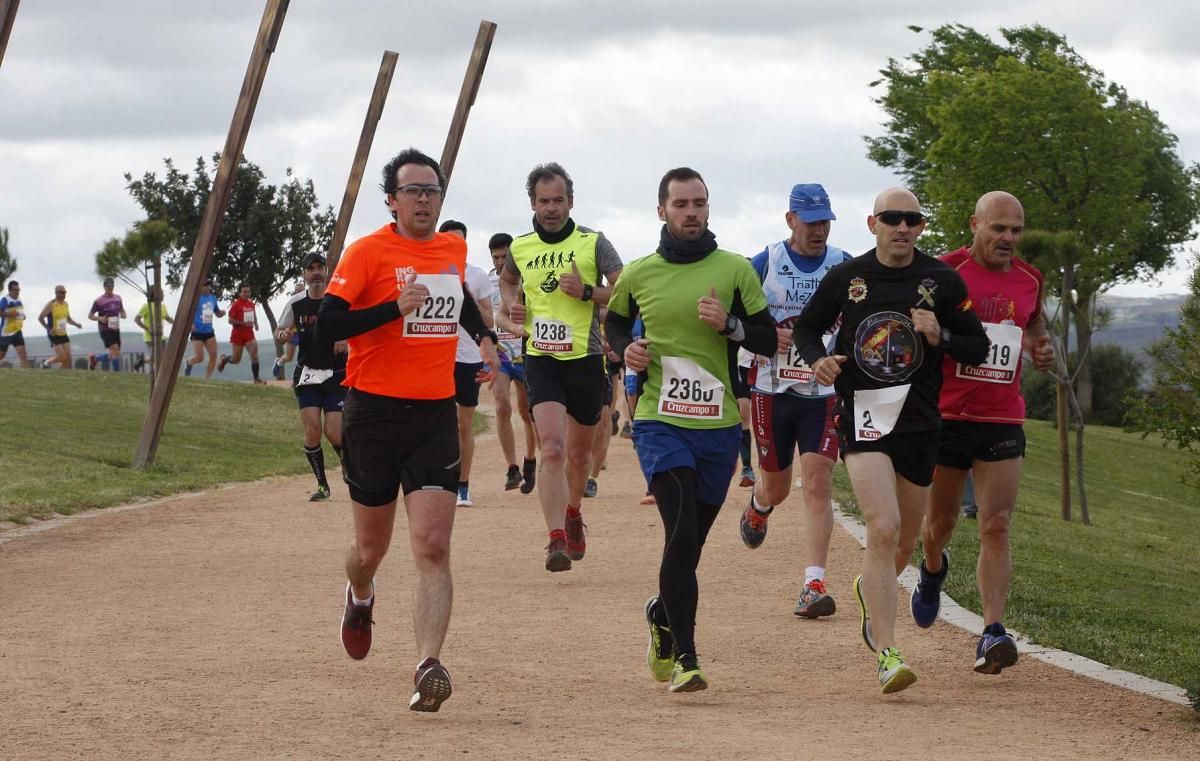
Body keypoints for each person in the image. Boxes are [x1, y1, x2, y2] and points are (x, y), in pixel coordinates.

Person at [317, 148, 498, 713]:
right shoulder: (367, 252)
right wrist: (392, 309)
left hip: (434, 414)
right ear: (392, 199)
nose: (424, 198)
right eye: (413, 190)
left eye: (432, 190)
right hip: (372, 414)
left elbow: (460, 301)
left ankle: (427, 666)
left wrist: (486, 336)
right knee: (370, 549)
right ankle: (361, 593)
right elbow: (326, 328)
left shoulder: (452, 248)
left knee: (433, 545)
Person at [790, 187, 988, 694]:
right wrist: (818, 360)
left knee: (903, 540)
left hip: (920, 424)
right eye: (892, 218)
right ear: (873, 221)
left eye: (913, 219)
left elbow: (978, 346)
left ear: (922, 226)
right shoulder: (848, 277)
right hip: (864, 415)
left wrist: (940, 334)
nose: (902, 227)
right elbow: (808, 329)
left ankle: (867, 591)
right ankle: (888, 652)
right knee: (883, 527)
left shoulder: (942, 280)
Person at [607, 167, 775, 693]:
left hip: (719, 427)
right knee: (678, 532)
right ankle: (687, 655)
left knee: (690, 547)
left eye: (699, 203)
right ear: (662, 210)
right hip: (660, 420)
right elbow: (614, 323)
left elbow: (768, 338)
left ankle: (661, 611)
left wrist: (730, 326)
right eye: (680, 204)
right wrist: (625, 349)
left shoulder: (734, 270)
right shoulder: (639, 273)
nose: (691, 212)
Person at [911, 190, 1055, 675]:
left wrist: (1041, 348)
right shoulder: (942, 272)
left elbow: (1033, 327)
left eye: (1016, 229)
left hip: (1001, 416)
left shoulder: (1030, 279)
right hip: (948, 417)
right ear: (975, 225)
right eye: (999, 228)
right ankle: (932, 569)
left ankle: (992, 632)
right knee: (940, 526)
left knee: (996, 523)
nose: (1008, 238)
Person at [498, 162, 623, 572]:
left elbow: (623, 293)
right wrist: (513, 305)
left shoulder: (593, 242)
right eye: (543, 201)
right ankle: (554, 539)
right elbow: (508, 281)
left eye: (558, 200)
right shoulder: (521, 247)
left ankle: (572, 512)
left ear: (571, 201)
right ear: (532, 203)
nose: (551, 208)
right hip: (542, 358)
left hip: (585, 359)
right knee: (551, 448)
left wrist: (588, 291)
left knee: (578, 454)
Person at [736, 183, 853, 620]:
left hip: (822, 393)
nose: (818, 229)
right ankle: (759, 506)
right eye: (811, 221)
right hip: (771, 389)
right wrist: (768, 333)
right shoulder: (765, 261)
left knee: (819, 479)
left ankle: (813, 583)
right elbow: (739, 315)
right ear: (791, 220)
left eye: (825, 220)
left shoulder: (843, 264)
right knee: (778, 486)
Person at [277, 253, 349, 501]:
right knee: (312, 430)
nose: (316, 272)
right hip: (307, 373)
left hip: (336, 373)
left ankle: (346, 460)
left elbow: (357, 325)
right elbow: (281, 328)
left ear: (327, 271)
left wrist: (345, 338)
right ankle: (322, 485)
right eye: (311, 269)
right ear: (304, 275)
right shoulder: (296, 302)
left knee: (334, 432)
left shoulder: (338, 298)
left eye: (320, 267)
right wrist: (284, 335)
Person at [440, 219, 496, 507]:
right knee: (438, 423)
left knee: (464, 425)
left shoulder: (476, 275)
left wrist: (471, 301)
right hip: (439, 356)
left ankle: (463, 484)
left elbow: (489, 321)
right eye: (449, 240)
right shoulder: (432, 272)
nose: (454, 246)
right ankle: (439, 481)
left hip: (469, 358)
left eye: (459, 241)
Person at [487, 233, 539, 494]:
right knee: (501, 406)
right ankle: (512, 467)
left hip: (527, 352)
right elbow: (485, 316)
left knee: (527, 410)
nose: (499, 261)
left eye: (504, 256)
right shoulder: (487, 282)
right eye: (495, 257)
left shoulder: (529, 280)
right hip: (501, 354)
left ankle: (530, 458)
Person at [218, 284, 265, 383]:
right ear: (240, 293)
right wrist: (243, 323)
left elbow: (254, 314)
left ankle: (256, 379)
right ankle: (225, 359)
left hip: (249, 334)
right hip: (237, 334)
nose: (247, 294)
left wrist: (256, 323)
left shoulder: (251, 304)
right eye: (244, 292)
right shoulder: (236, 305)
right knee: (236, 360)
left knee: (255, 356)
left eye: (248, 292)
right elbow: (230, 320)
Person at [184, 280, 224, 378]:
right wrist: (191, 325)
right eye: (204, 285)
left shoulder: (213, 298)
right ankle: (189, 362)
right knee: (200, 358)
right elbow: (187, 312)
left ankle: (207, 379)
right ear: (200, 287)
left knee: (213, 356)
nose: (207, 287)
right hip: (197, 332)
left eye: (208, 285)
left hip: (209, 332)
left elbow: (217, 312)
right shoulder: (195, 298)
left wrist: (221, 313)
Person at [87, 277, 126, 371]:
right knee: (115, 351)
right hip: (105, 329)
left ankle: (95, 359)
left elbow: (122, 310)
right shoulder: (99, 301)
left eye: (112, 286)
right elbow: (90, 315)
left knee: (114, 353)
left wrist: (123, 314)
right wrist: (100, 318)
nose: (110, 288)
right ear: (104, 287)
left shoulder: (118, 298)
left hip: (115, 328)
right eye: (108, 286)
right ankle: (117, 374)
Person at [38, 285, 82, 369]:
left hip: (63, 333)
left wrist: (76, 324)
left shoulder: (66, 304)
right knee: (62, 356)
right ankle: (46, 362)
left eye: (65, 292)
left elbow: (68, 319)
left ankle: (62, 375)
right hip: (54, 334)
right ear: (56, 293)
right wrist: (49, 329)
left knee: (68, 357)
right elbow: (40, 318)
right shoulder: (51, 304)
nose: (64, 294)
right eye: (62, 292)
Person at [134, 286, 173, 374]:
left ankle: (142, 361)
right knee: (158, 357)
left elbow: (167, 318)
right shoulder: (146, 306)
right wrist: (148, 329)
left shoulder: (163, 306)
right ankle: (155, 373)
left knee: (160, 357)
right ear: (154, 294)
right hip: (150, 337)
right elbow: (137, 319)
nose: (163, 295)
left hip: (161, 337)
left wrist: (176, 321)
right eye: (161, 293)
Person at [274, 281, 305, 380]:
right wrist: (284, 333)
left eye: (302, 291)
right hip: (293, 333)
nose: (299, 294)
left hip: (304, 333)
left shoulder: (310, 301)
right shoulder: (292, 304)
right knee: (289, 357)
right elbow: (282, 326)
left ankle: (298, 379)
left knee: (305, 355)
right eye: (297, 292)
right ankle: (279, 362)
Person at [0, 280, 31, 368]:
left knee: (23, 355)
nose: (17, 292)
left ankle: (26, 375)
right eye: (15, 290)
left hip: (17, 331)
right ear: (10, 290)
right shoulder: (5, 300)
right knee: (1, 355)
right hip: (6, 333)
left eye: (18, 289)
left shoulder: (19, 300)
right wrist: (10, 314)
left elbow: (19, 313)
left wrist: (23, 316)